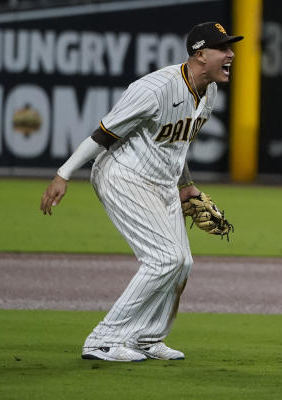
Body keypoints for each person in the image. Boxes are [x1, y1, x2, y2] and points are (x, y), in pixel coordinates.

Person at [40, 21, 242, 362]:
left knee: (182, 263)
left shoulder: (209, 91)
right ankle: (103, 340)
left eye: (230, 47)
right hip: (123, 176)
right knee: (164, 259)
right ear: (200, 53)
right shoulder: (154, 89)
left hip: (162, 182)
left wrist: (187, 185)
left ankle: (146, 338)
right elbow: (103, 134)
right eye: (223, 48)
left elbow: (179, 144)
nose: (231, 54)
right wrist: (63, 174)